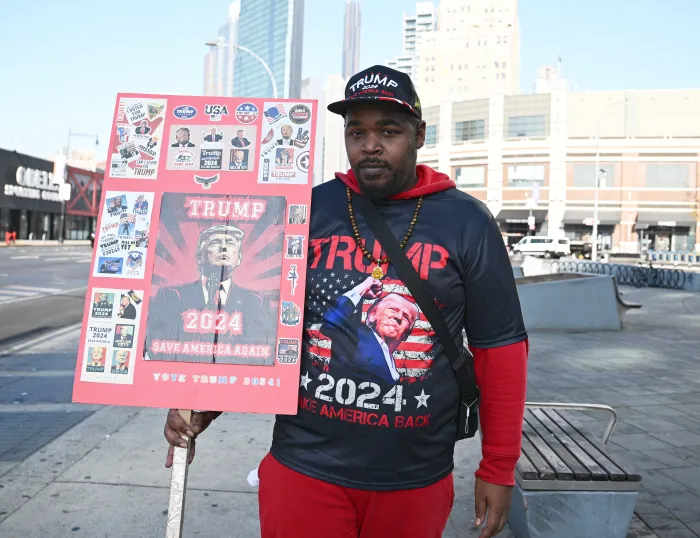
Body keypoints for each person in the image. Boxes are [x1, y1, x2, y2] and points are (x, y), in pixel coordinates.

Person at [163, 65, 528, 538]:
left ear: (419, 134)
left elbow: (500, 350)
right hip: (305, 466)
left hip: (414, 476)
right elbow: (262, 325)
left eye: (388, 131)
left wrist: (497, 466)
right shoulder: (309, 209)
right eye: (357, 131)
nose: (370, 145)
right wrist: (203, 402)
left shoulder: (468, 222)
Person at [145, 224, 276, 364]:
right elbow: (156, 347)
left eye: (230, 243)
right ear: (200, 257)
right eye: (215, 243)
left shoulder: (255, 300)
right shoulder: (172, 296)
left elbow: (261, 351)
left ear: (238, 258)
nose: (223, 247)